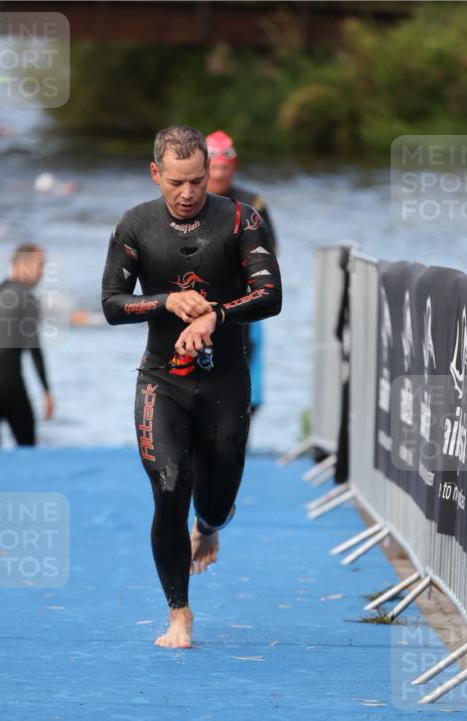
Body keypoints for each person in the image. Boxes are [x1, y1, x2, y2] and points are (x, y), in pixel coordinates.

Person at [102, 125, 282, 649]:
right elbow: (111, 304)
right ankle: (179, 613)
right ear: (155, 173)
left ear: (210, 173)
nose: (187, 193)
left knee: (217, 500)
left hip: (224, 381)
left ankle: (210, 523)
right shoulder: (135, 224)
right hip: (163, 381)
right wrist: (164, 302)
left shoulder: (241, 219)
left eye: (197, 182)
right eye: (176, 182)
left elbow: (271, 295)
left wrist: (215, 315)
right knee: (169, 485)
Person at [206, 129, 277, 416]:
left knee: (245, 365)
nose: (219, 175)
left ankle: (242, 418)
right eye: (214, 168)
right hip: (201, 297)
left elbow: (271, 250)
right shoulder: (192, 200)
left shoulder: (251, 202)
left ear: (233, 167)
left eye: (224, 168)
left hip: (242, 298)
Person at [0, 243, 54, 447]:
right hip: (9, 385)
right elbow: (34, 348)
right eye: (40, 265)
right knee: (27, 449)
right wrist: (47, 391)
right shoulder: (26, 297)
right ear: (23, 265)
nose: (42, 273)